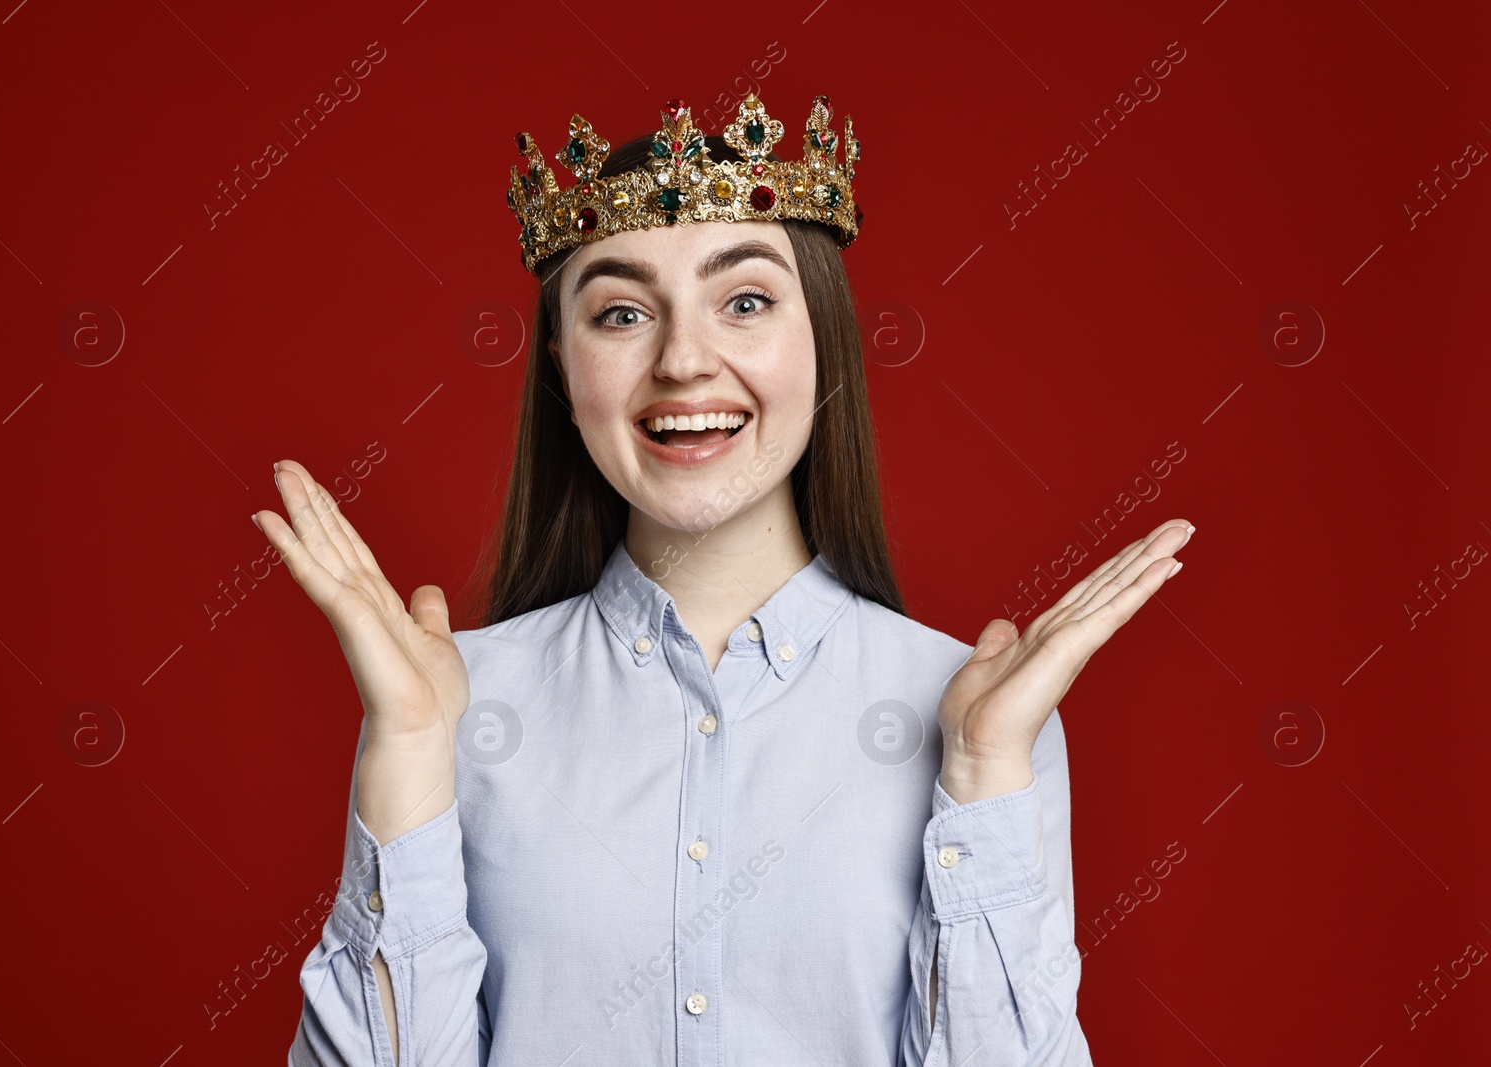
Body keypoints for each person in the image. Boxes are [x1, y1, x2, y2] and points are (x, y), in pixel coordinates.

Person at [256, 93, 1191, 1066]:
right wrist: (408, 750)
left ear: (822, 335)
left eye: (743, 301)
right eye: (620, 312)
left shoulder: (979, 717)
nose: (684, 360)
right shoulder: (450, 706)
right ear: (560, 371)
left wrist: (986, 772)